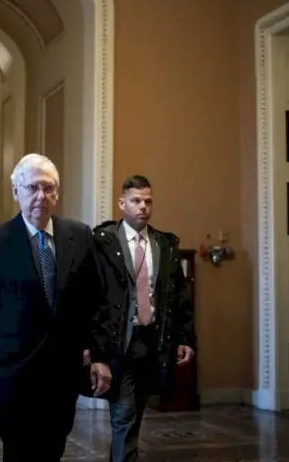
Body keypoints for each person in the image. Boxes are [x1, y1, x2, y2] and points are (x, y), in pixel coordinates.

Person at [0, 153, 114, 462]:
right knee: (18, 454)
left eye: (48, 187)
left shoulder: (79, 235)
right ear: (16, 192)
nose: (41, 196)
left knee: (52, 452)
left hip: (62, 375)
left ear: (57, 192)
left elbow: (96, 301)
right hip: (13, 374)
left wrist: (100, 356)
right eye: (32, 188)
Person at [90, 175, 196, 462]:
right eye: (136, 201)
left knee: (136, 413)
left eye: (148, 201)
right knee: (124, 413)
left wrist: (185, 337)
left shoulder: (164, 244)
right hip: (119, 342)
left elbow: (178, 295)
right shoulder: (103, 242)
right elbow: (92, 296)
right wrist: (94, 348)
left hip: (153, 341)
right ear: (122, 203)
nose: (143, 207)